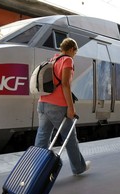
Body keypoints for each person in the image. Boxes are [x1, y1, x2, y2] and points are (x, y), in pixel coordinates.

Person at [34, 37, 90, 175]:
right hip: (57, 106)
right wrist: (71, 108)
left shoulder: (53, 60)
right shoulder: (67, 60)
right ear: (71, 49)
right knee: (69, 138)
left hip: (42, 103)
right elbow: (65, 84)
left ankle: (37, 169)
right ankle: (78, 168)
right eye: (75, 52)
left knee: (42, 138)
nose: (74, 55)